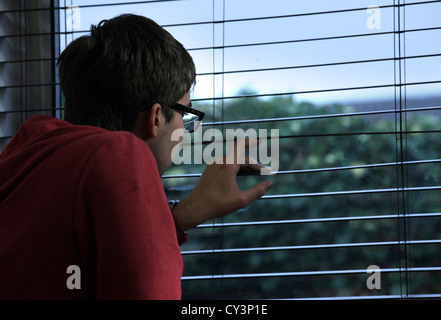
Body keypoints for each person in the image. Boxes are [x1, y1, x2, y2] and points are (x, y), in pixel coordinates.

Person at [0, 14, 273, 299]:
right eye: (185, 114)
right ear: (155, 118)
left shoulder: (31, 151)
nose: (187, 129)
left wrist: (183, 215)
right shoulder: (121, 152)